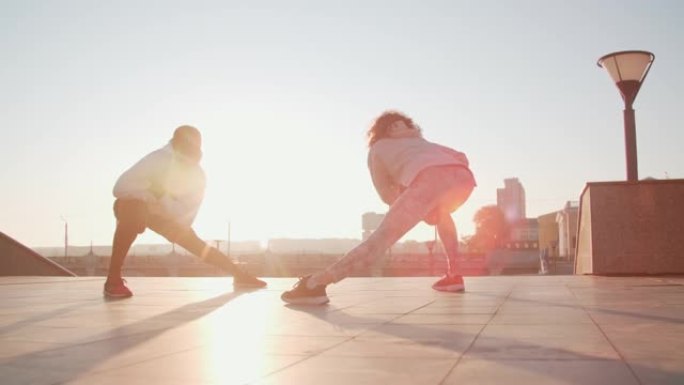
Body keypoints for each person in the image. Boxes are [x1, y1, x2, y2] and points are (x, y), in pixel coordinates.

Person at [282, 111, 476, 305]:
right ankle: (454, 275)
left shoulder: (378, 148)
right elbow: (460, 156)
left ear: (380, 130)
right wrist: (446, 179)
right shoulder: (423, 143)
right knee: (442, 214)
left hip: (426, 180)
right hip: (463, 178)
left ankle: (315, 284)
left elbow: (384, 191)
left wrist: (405, 202)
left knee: (381, 239)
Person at [104, 125, 266, 298]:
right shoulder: (157, 159)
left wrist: (162, 197)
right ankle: (113, 280)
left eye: (192, 146)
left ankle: (239, 275)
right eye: (182, 145)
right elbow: (120, 188)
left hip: (167, 216)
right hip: (135, 205)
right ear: (174, 144)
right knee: (133, 210)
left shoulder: (197, 176)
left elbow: (185, 217)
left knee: (197, 245)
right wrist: (149, 194)